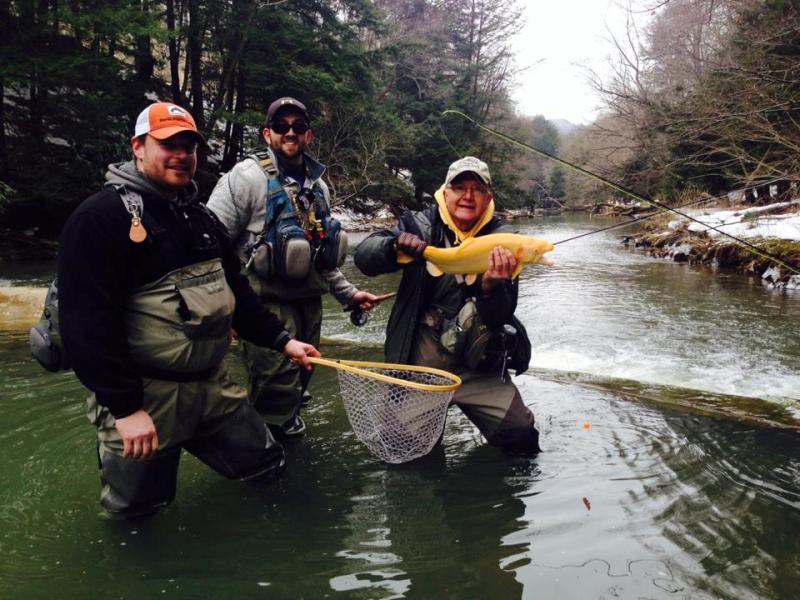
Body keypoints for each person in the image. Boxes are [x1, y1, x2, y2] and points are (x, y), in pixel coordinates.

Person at [57, 101, 320, 518]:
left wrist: (283, 342)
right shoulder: (99, 219)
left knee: (267, 468)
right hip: (147, 397)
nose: (182, 155)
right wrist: (126, 410)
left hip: (214, 388)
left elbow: (236, 292)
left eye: (190, 146)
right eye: (169, 144)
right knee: (137, 515)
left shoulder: (199, 217)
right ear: (138, 147)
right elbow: (85, 324)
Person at [207, 97, 377, 437]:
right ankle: (268, 459)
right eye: (281, 126)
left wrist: (349, 295)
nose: (290, 132)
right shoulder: (245, 178)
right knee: (275, 389)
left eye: (298, 127)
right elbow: (210, 244)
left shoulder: (319, 188)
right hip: (264, 306)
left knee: (299, 381)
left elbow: (322, 258)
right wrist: (224, 310)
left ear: (308, 135)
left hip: (309, 306)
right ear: (267, 133)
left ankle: (282, 436)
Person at [353, 156, 541, 453]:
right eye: (459, 187)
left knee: (521, 437)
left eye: (477, 189)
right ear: (445, 191)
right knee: (402, 448)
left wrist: (492, 286)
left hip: (480, 366)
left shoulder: (505, 241)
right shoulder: (419, 225)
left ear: (488, 197)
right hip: (422, 370)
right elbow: (363, 258)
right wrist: (394, 246)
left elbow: (502, 314)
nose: (467, 196)